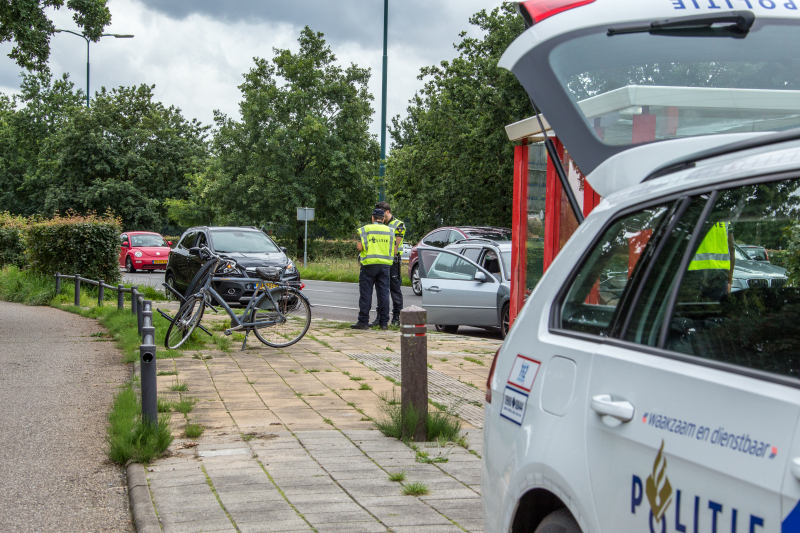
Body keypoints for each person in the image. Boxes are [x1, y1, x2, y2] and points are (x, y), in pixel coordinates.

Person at [352, 208, 395, 330]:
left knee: (366, 294)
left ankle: (363, 322)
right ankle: (384, 323)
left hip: (369, 266)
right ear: (383, 219)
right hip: (385, 266)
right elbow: (393, 248)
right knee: (384, 294)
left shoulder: (366, 229)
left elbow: (360, 247)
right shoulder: (390, 231)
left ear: (372, 218)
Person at [368, 201, 405, 327]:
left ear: (387, 212)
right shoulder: (380, 225)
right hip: (382, 261)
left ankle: (396, 317)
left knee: (395, 290)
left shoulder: (399, 225)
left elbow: (395, 247)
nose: (380, 217)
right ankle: (380, 317)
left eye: (382, 214)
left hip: (393, 262)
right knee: (381, 290)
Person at [682, 220, 735, 302]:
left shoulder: (696, 218)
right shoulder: (726, 223)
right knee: (715, 310)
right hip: (719, 276)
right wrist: (729, 281)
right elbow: (731, 249)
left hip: (696, 274)